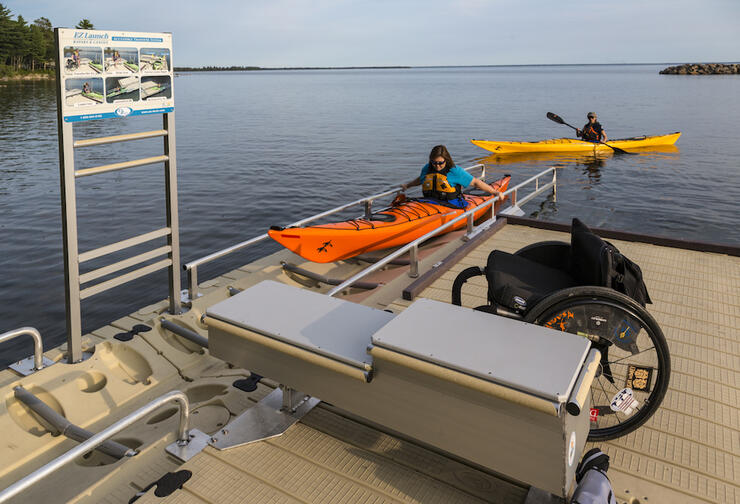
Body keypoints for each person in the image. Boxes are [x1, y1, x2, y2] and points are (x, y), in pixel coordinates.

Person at [400, 145, 504, 208]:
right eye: (434, 162)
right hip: (429, 202)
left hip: (451, 204)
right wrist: (408, 185)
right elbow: (421, 179)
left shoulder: (455, 171)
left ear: (446, 159)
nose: (437, 166)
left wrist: (495, 192)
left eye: (440, 163)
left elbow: (476, 182)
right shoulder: (427, 168)